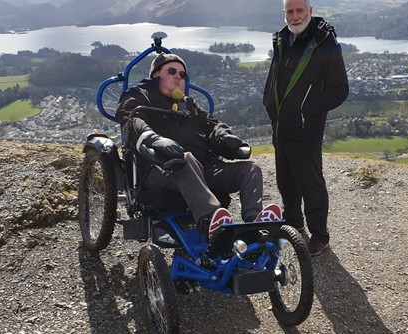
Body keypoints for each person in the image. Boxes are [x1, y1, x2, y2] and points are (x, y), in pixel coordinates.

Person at [116, 53, 281, 238]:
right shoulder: (139, 96)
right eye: (171, 71)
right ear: (155, 75)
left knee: (250, 169)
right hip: (161, 168)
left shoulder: (187, 104)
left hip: (203, 169)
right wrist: (152, 137)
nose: (178, 76)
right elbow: (130, 117)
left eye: (182, 74)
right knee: (184, 158)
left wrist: (225, 137)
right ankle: (211, 223)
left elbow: (211, 125)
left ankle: (254, 224)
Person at [262, 0, 349, 256]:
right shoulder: (281, 39)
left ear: (310, 11)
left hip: (306, 128)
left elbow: (340, 90)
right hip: (281, 126)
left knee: (311, 184)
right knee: (286, 181)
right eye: (290, 11)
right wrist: (269, 105)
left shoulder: (324, 42)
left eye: (300, 10)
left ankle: (320, 235)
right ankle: (293, 224)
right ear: (284, 13)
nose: (295, 16)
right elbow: (274, 78)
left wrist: (305, 110)